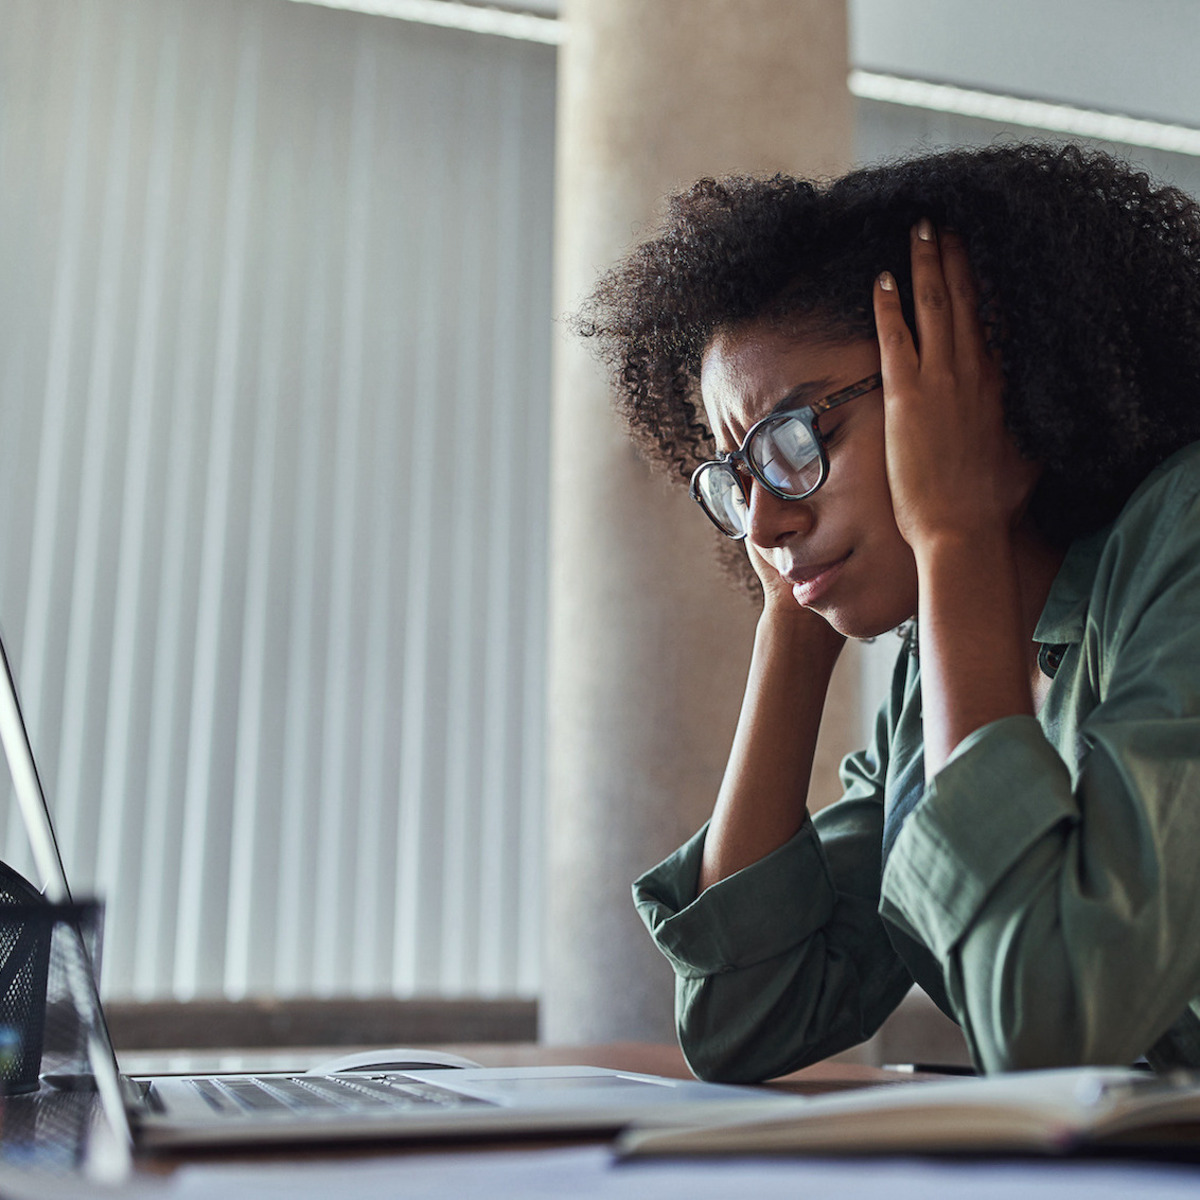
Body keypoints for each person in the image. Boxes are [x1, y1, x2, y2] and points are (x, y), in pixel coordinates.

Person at [574, 143, 1200, 1080]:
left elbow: (1051, 1017)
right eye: (737, 477)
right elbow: (747, 1020)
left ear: (986, 382)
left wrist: (953, 536)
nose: (767, 517)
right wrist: (791, 616)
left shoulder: (1181, 542)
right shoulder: (939, 679)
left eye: (799, 437)